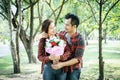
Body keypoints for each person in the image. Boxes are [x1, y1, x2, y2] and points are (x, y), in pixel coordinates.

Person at [51, 13, 85, 80]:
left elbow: (77, 59)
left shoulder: (80, 39)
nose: (65, 26)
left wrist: (61, 64)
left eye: (67, 25)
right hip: (62, 68)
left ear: (74, 26)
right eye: (65, 24)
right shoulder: (61, 34)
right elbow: (52, 41)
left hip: (74, 69)